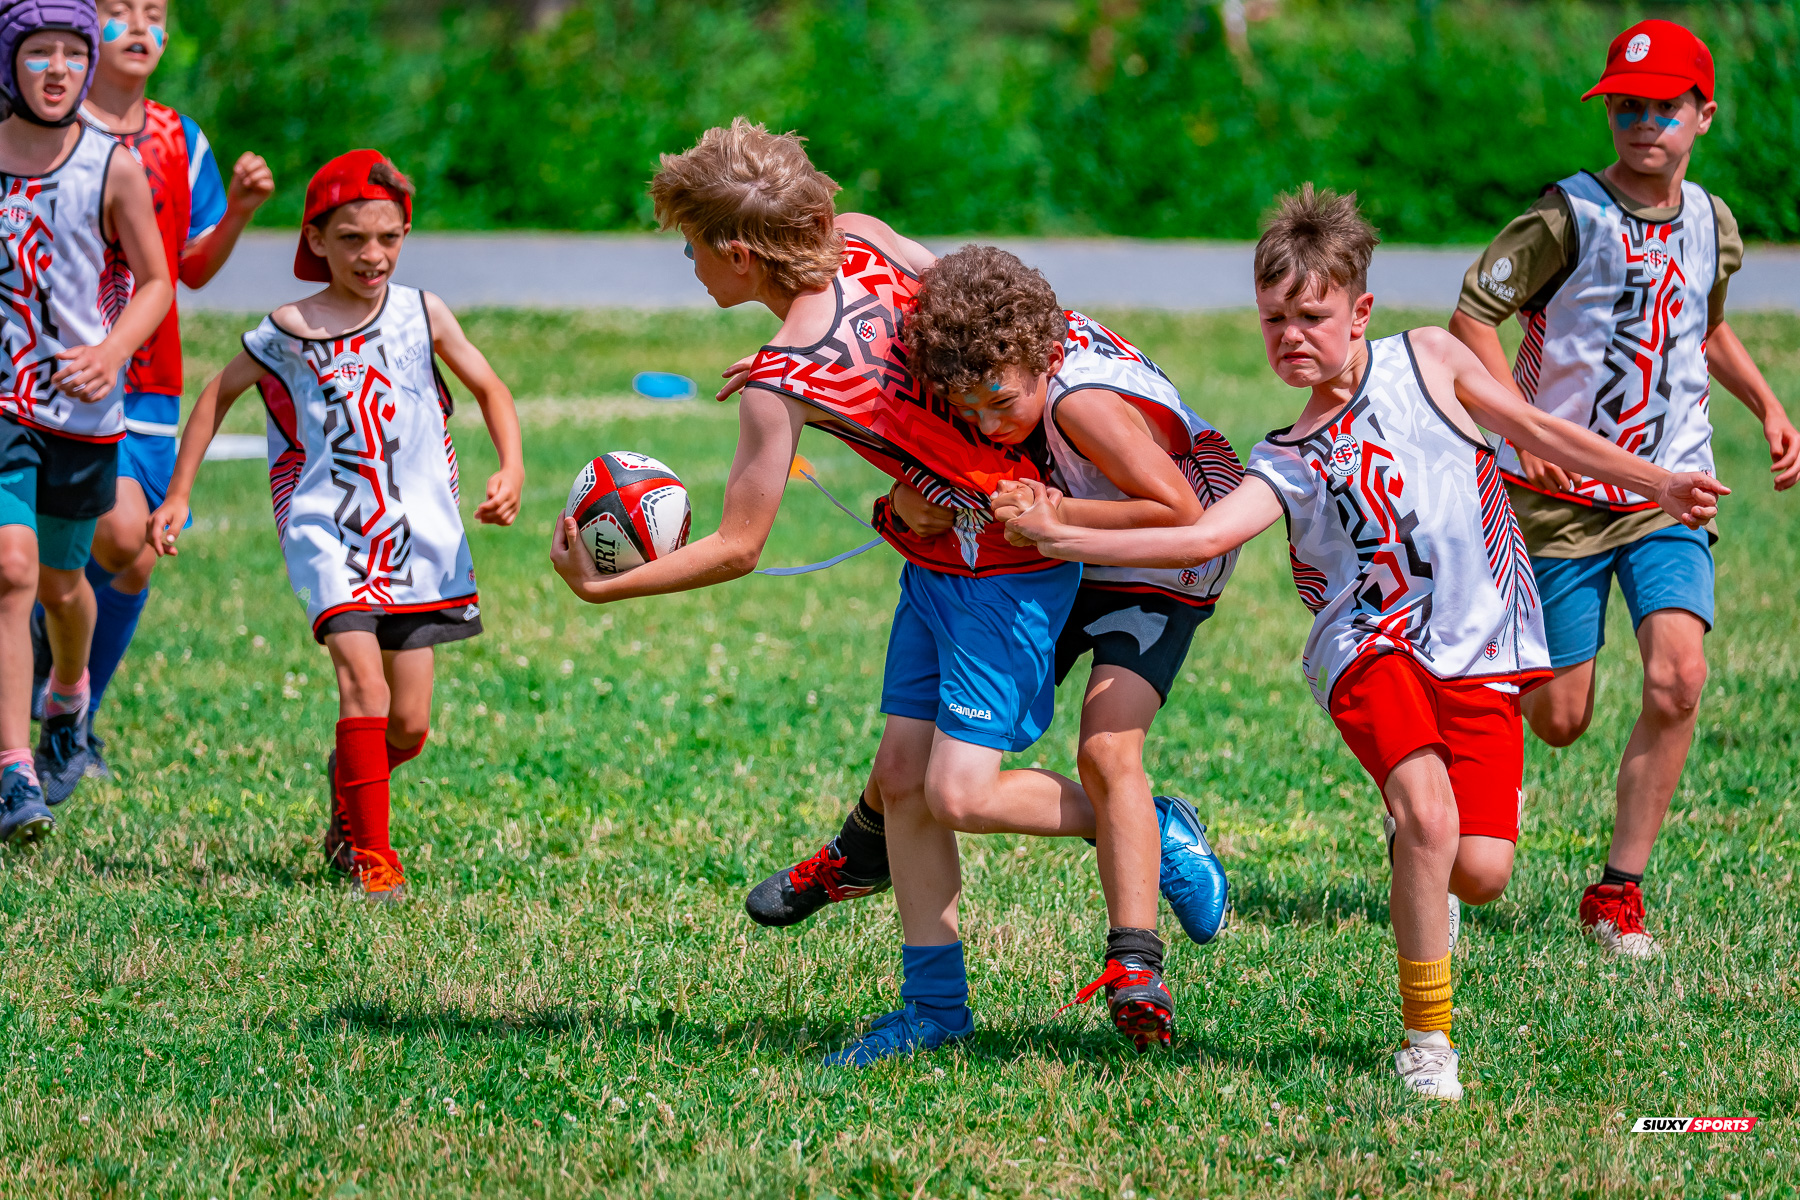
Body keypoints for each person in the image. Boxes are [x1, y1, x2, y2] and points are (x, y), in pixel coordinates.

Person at [1004, 184, 1726, 1100]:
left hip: (1483, 644)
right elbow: (1198, 538)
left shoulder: (1428, 359)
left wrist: (1654, 482)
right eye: (1274, 319)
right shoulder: (1285, 457)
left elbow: (1537, 428)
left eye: (1313, 315)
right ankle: (1429, 1046)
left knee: (1483, 870)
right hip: (1368, 646)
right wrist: (1069, 535)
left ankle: (1415, 857)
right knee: (1429, 814)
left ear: (1361, 312)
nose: (1292, 336)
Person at [551, 119, 1216, 1065]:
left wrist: (603, 591)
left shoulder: (777, 386)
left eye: (694, 246)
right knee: (902, 784)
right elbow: (956, 310)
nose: (692, 264)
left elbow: (741, 546)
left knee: (959, 791)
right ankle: (935, 1008)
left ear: (740, 253)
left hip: (1010, 566)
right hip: (936, 562)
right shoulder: (860, 237)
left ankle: (1143, 824)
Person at [744, 244, 1239, 1050]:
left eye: (997, 401)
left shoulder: (1078, 404)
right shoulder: (998, 350)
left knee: (1101, 753)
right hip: (1064, 546)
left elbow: (1182, 514)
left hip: (1167, 560)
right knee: (913, 770)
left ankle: (1144, 835)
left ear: (1040, 356)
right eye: (963, 407)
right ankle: (922, 977)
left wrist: (1059, 520)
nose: (985, 421)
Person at [1446, 19, 1797, 959]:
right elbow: (1471, 314)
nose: (1644, 123)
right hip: (1557, 498)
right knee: (1561, 719)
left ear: (1702, 116)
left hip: (1668, 493)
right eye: (1627, 107)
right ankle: (1456, 767)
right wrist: (1524, 437)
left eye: (1664, 107)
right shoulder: (1566, 215)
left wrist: (1765, 401)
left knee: (1680, 680)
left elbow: (1705, 327)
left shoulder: (1711, 222)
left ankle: (1618, 892)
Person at [145, 151, 524, 900]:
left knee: (408, 725)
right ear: (317, 239)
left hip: (420, 538)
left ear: (405, 234)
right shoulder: (286, 330)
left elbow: (490, 387)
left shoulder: (424, 313)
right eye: (351, 238)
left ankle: (349, 799)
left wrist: (510, 467)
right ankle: (375, 861)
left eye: (388, 236)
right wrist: (177, 493)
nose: (371, 254)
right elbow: (215, 399)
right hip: (328, 534)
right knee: (362, 686)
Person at [26, 0, 274, 778]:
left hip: (149, 380)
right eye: (118, 12)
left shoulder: (179, 139)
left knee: (133, 556)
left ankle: (73, 713)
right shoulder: (46, 127)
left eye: (154, 14)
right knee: (111, 536)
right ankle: (52, 664)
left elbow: (188, 269)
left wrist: (236, 212)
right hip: (57, 374)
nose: (139, 27)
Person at [0, 0, 172, 842]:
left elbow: (156, 282)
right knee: (10, 566)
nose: (60, 67)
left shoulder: (113, 166)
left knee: (66, 588)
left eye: (73, 51)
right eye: (40, 54)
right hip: (3, 404)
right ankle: (12, 771)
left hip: (80, 409)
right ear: (11, 65)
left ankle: (68, 698)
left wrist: (111, 353)